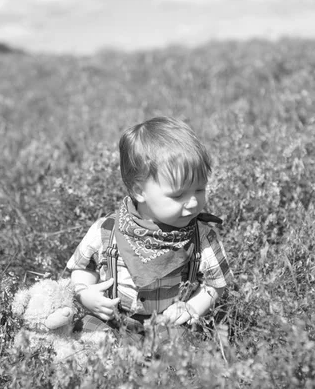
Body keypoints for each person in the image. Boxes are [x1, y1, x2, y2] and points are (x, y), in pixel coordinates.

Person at [66, 116, 233, 345]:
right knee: (87, 334)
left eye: (200, 190)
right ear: (139, 191)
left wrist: (192, 308)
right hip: (114, 320)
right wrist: (85, 293)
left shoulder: (201, 236)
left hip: (169, 324)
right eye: (178, 195)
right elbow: (83, 267)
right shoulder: (108, 230)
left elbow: (217, 284)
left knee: (181, 352)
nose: (193, 202)